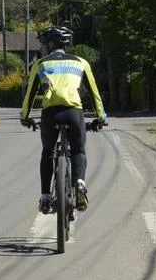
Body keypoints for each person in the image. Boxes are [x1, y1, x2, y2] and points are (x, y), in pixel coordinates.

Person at [20, 25, 107, 214]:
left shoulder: (40, 63)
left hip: (50, 114)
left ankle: (44, 197)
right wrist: (100, 117)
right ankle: (80, 185)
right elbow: (94, 93)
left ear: (51, 44)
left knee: (47, 153)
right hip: (74, 112)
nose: (43, 47)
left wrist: (25, 117)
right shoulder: (81, 62)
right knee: (78, 150)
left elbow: (30, 94)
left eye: (45, 43)